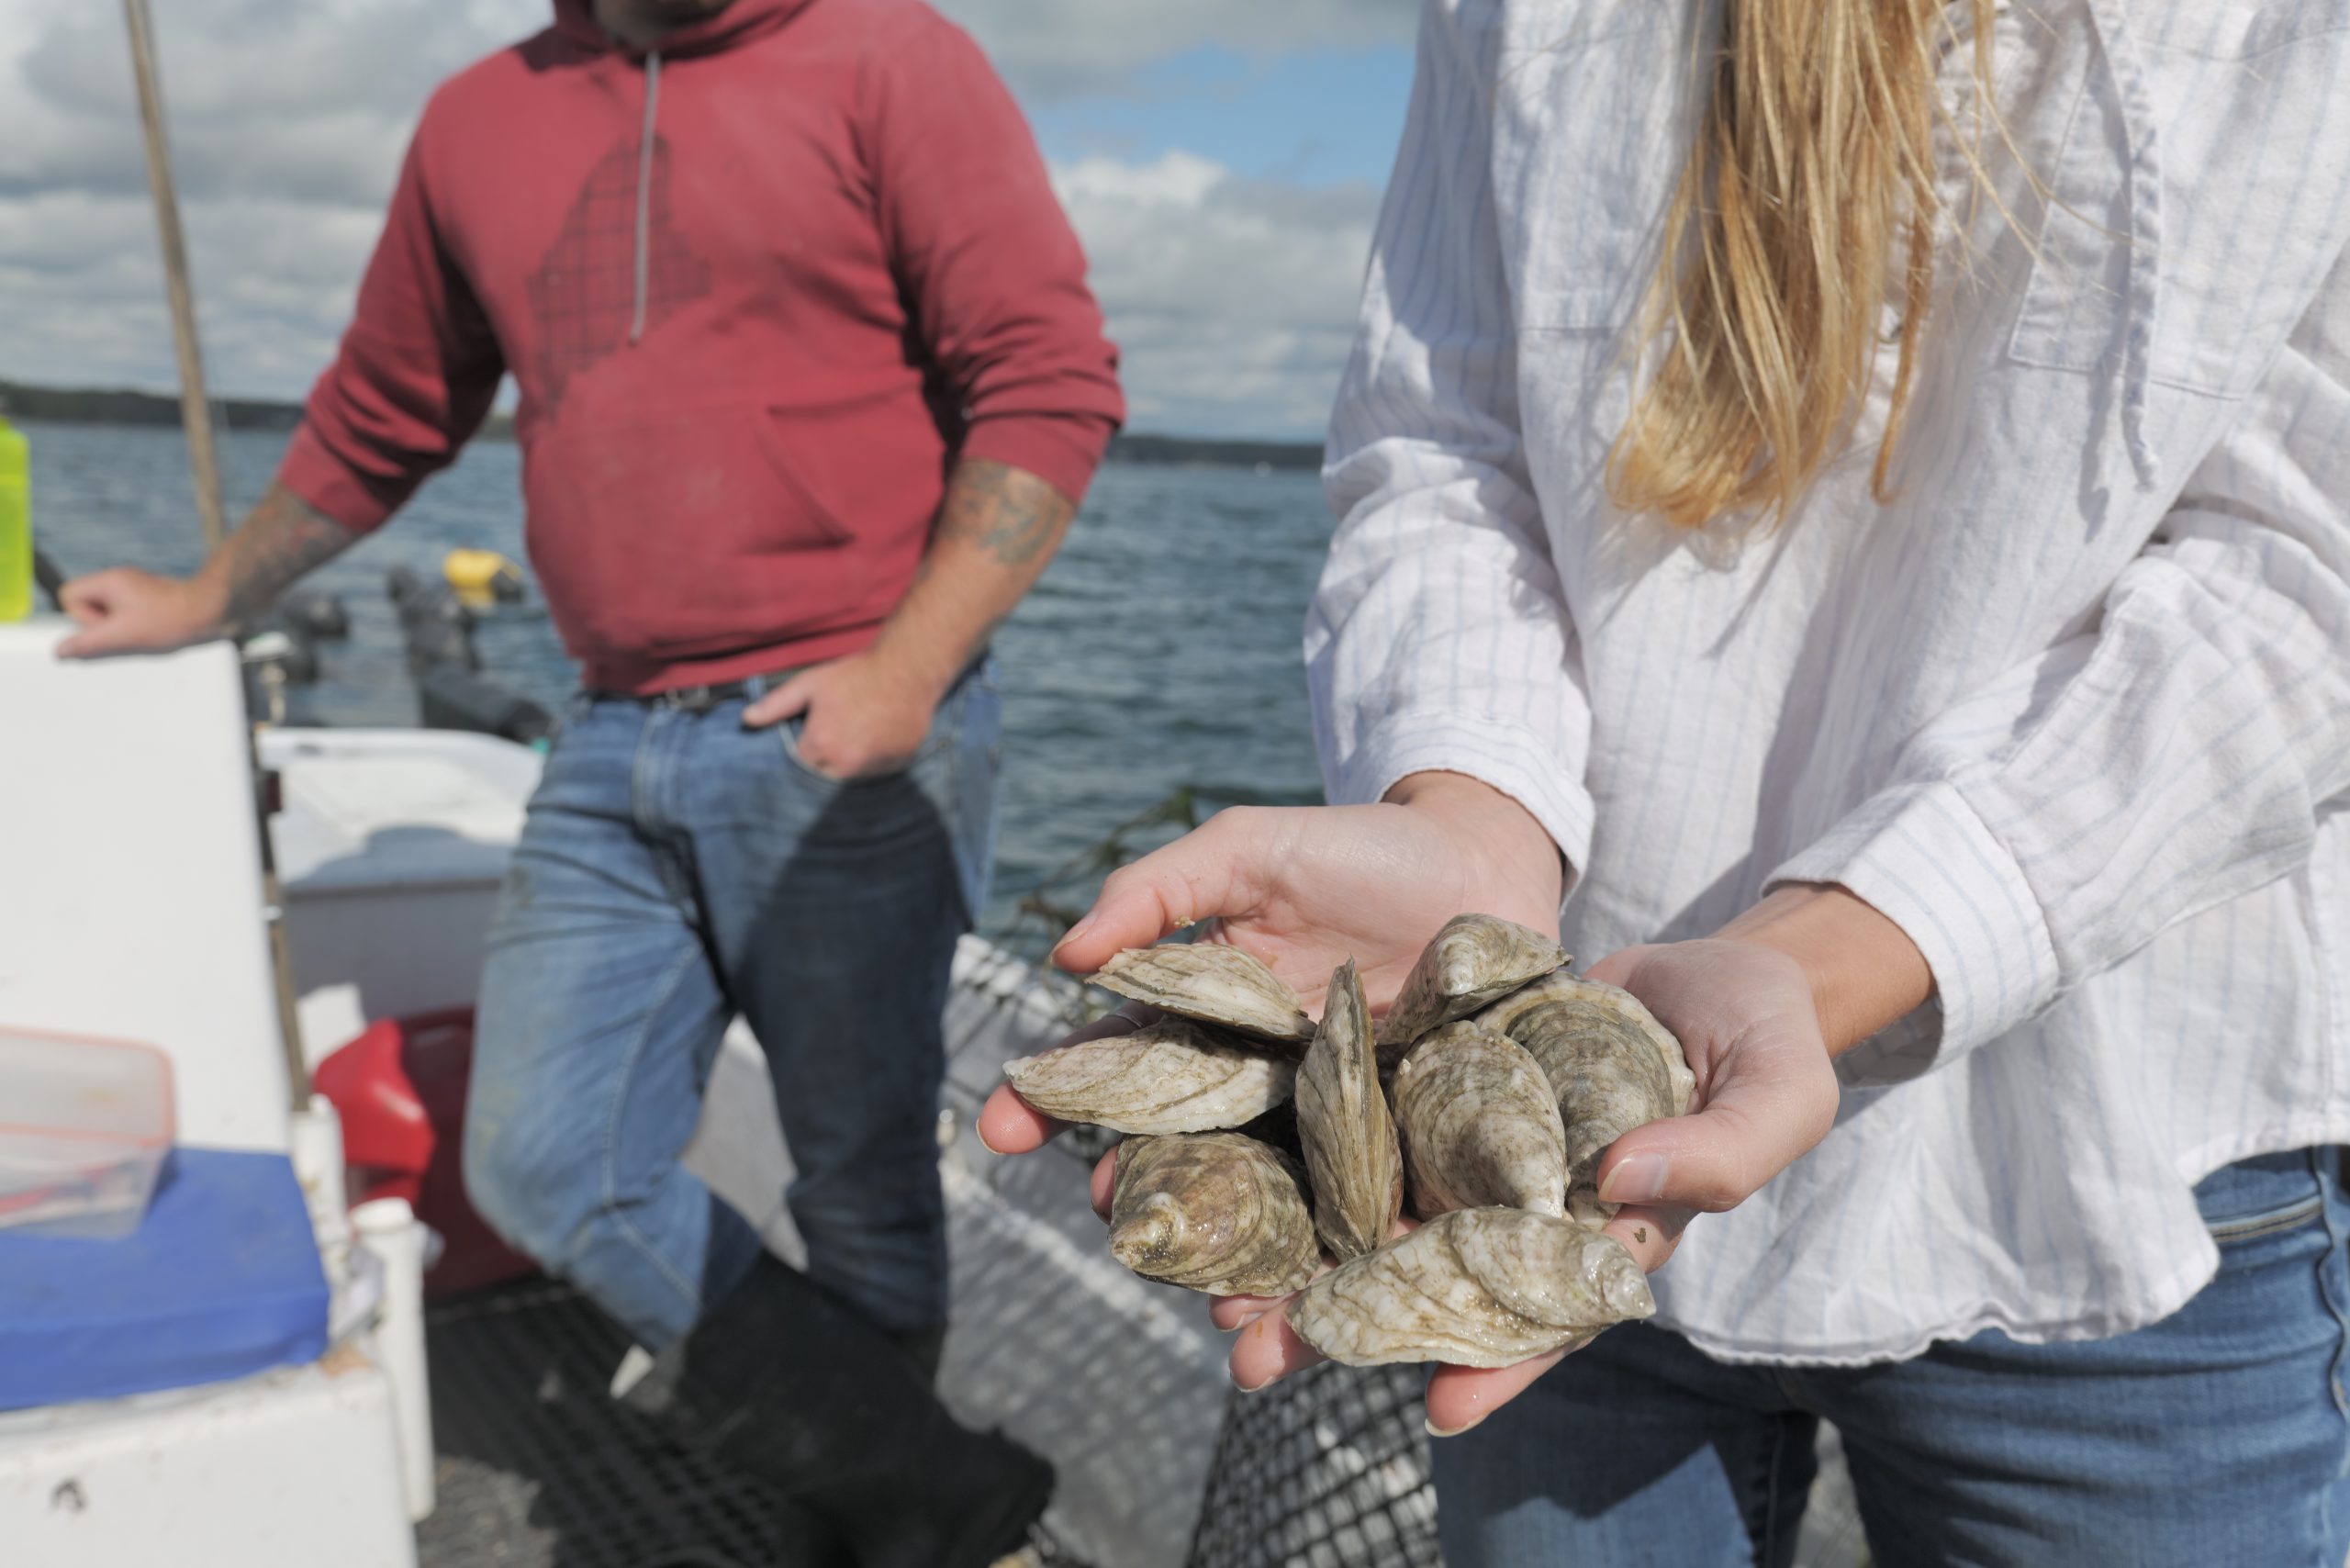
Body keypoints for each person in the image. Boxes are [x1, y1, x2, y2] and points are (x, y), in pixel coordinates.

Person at [984, 0, 2350, 1562]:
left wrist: (1824, 955)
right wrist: (1469, 822)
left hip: (2114, 1173)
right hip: (1557, 1173)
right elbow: (1444, 446)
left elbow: (2307, 575)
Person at [63, 0, 1122, 1562]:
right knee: (545, 1162)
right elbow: (385, 408)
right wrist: (211, 593)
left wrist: (904, 672)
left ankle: (871, 1521)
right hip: (609, 729)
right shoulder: (476, 118)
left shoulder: (893, 55)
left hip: (843, 715)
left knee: (861, 1181)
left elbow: (1046, 377)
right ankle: (938, 1494)